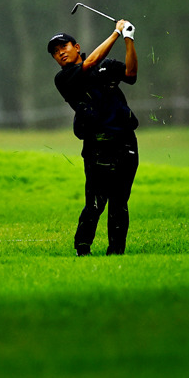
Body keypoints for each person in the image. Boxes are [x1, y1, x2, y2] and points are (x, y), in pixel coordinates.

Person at [48, 20, 139, 256]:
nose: (60, 53)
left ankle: (116, 250)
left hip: (125, 141)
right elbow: (90, 64)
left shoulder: (106, 66)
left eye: (63, 47)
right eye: (55, 53)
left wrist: (129, 39)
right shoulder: (65, 78)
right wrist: (116, 33)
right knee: (96, 202)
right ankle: (83, 247)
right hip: (97, 145)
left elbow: (131, 73)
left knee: (119, 201)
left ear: (76, 47)